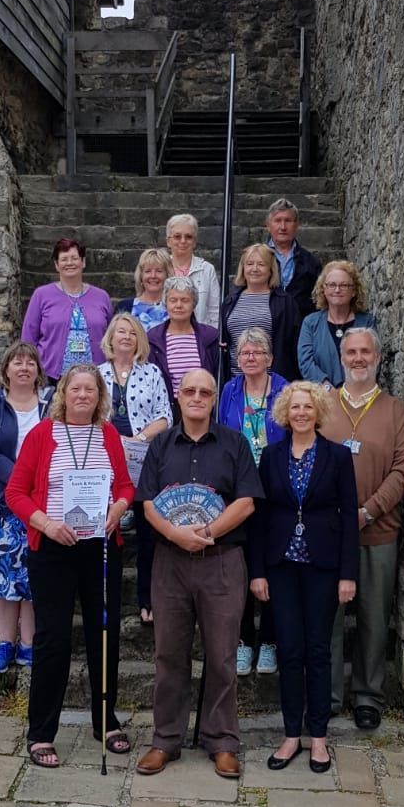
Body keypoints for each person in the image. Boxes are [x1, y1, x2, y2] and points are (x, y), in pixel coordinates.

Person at [5, 363, 135, 768]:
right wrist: (45, 522)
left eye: (91, 390)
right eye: (76, 389)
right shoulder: (43, 435)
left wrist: (118, 508)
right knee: (53, 638)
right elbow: (16, 492)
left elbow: (126, 486)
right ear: (64, 393)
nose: (83, 396)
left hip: (99, 546)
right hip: (53, 548)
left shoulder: (109, 434)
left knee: (103, 633)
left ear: (100, 397)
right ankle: (41, 731)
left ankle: (105, 719)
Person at [135, 367, 262, 780]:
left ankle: (221, 741)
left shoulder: (234, 443)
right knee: (169, 654)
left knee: (223, 655)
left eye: (204, 392)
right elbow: (148, 501)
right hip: (169, 562)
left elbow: (246, 502)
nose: (196, 397)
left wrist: (205, 532)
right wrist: (175, 533)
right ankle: (165, 740)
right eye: (189, 390)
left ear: (212, 399)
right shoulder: (161, 447)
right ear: (178, 396)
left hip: (222, 561)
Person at [250, 382, 359, 773]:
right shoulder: (272, 456)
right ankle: (291, 734)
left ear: (318, 412)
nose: (300, 413)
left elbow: (349, 518)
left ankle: (319, 739)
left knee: (318, 651)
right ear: (285, 412)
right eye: (294, 407)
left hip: (323, 566)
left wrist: (348, 574)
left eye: (307, 407)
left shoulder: (337, 457)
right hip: (281, 566)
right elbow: (261, 518)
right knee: (290, 651)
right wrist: (258, 572)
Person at [320, 327, 404, 730]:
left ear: (377, 358)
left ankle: (368, 696)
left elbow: (403, 471)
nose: (358, 358)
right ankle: (327, 696)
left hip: (378, 531)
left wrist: (369, 511)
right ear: (341, 359)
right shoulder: (324, 405)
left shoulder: (394, 409)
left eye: (365, 352)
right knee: (328, 621)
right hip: (330, 533)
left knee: (375, 619)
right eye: (351, 352)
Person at [0, 341, 53, 674]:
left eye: (30, 363)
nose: (24, 367)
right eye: (17, 362)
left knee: (33, 572)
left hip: (42, 500)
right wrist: (23, 479)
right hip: (0, 500)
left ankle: (28, 645)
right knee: (2, 572)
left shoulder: (51, 407)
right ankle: (5, 643)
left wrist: (36, 485)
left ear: (38, 371)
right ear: (6, 370)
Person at [218, 327, 287, 677]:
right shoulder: (229, 391)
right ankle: (244, 641)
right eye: (244, 353)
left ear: (270, 358)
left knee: (273, 564)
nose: (250, 358)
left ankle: (270, 640)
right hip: (238, 488)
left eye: (257, 353)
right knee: (240, 566)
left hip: (277, 489)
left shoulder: (284, 389)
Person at [97, 311, 172, 626]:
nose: (125, 337)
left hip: (144, 458)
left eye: (131, 332)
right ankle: (103, 598)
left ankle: (148, 599)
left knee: (148, 532)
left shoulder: (152, 372)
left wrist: (137, 438)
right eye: (120, 332)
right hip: (104, 458)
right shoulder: (95, 373)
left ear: (138, 339)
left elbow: (165, 416)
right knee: (105, 527)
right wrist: (116, 440)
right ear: (110, 338)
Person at [20, 236, 113, 382]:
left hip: (96, 377)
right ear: (56, 265)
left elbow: (111, 337)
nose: (69, 263)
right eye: (64, 259)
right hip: (51, 376)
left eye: (74, 258)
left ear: (83, 262)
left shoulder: (102, 297)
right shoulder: (42, 295)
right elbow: (28, 339)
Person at [221, 244, 301, 380]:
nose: (254, 269)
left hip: (272, 382)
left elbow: (293, 345)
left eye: (261, 264)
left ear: (271, 269)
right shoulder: (230, 301)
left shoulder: (285, 302)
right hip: (236, 380)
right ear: (243, 268)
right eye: (250, 264)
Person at [298, 260, 376, 388]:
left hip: (359, 394)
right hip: (322, 397)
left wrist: (351, 390)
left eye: (344, 285)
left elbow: (372, 358)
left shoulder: (367, 322)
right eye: (332, 285)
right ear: (323, 289)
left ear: (354, 291)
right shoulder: (310, 323)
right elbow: (306, 362)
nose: (337, 290)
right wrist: (327, 388)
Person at [146, 277, 221, 400]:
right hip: (167, 409)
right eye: (173, 300)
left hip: (201, 406)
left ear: (194, 304)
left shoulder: (210, 337)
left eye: (185, 300)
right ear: (166, 304)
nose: (179, 305)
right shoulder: (153, 339)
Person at [264, 198, 321, 319]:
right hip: (264, 326)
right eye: (278, 221)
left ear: (296, 225)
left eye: (288, 221)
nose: (283, 227)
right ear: (268, 225)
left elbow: (319, 298)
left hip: (300, 328)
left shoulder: (310, 261)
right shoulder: (256, 259)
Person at [164, 213, 221, 328]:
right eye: (177, 236)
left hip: (199, 338)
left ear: (195, 242)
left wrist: (211, 337)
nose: (183, 241)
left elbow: (215, 311)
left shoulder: (206, 269)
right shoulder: (160, 268)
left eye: (188, 237)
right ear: (168, 241)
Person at [115, 246, 173, 334]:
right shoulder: (124, 307)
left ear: (168, 275)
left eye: (159, 271)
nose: (153, 276)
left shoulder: (178, 307)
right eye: (148, 271)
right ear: (141, 276)